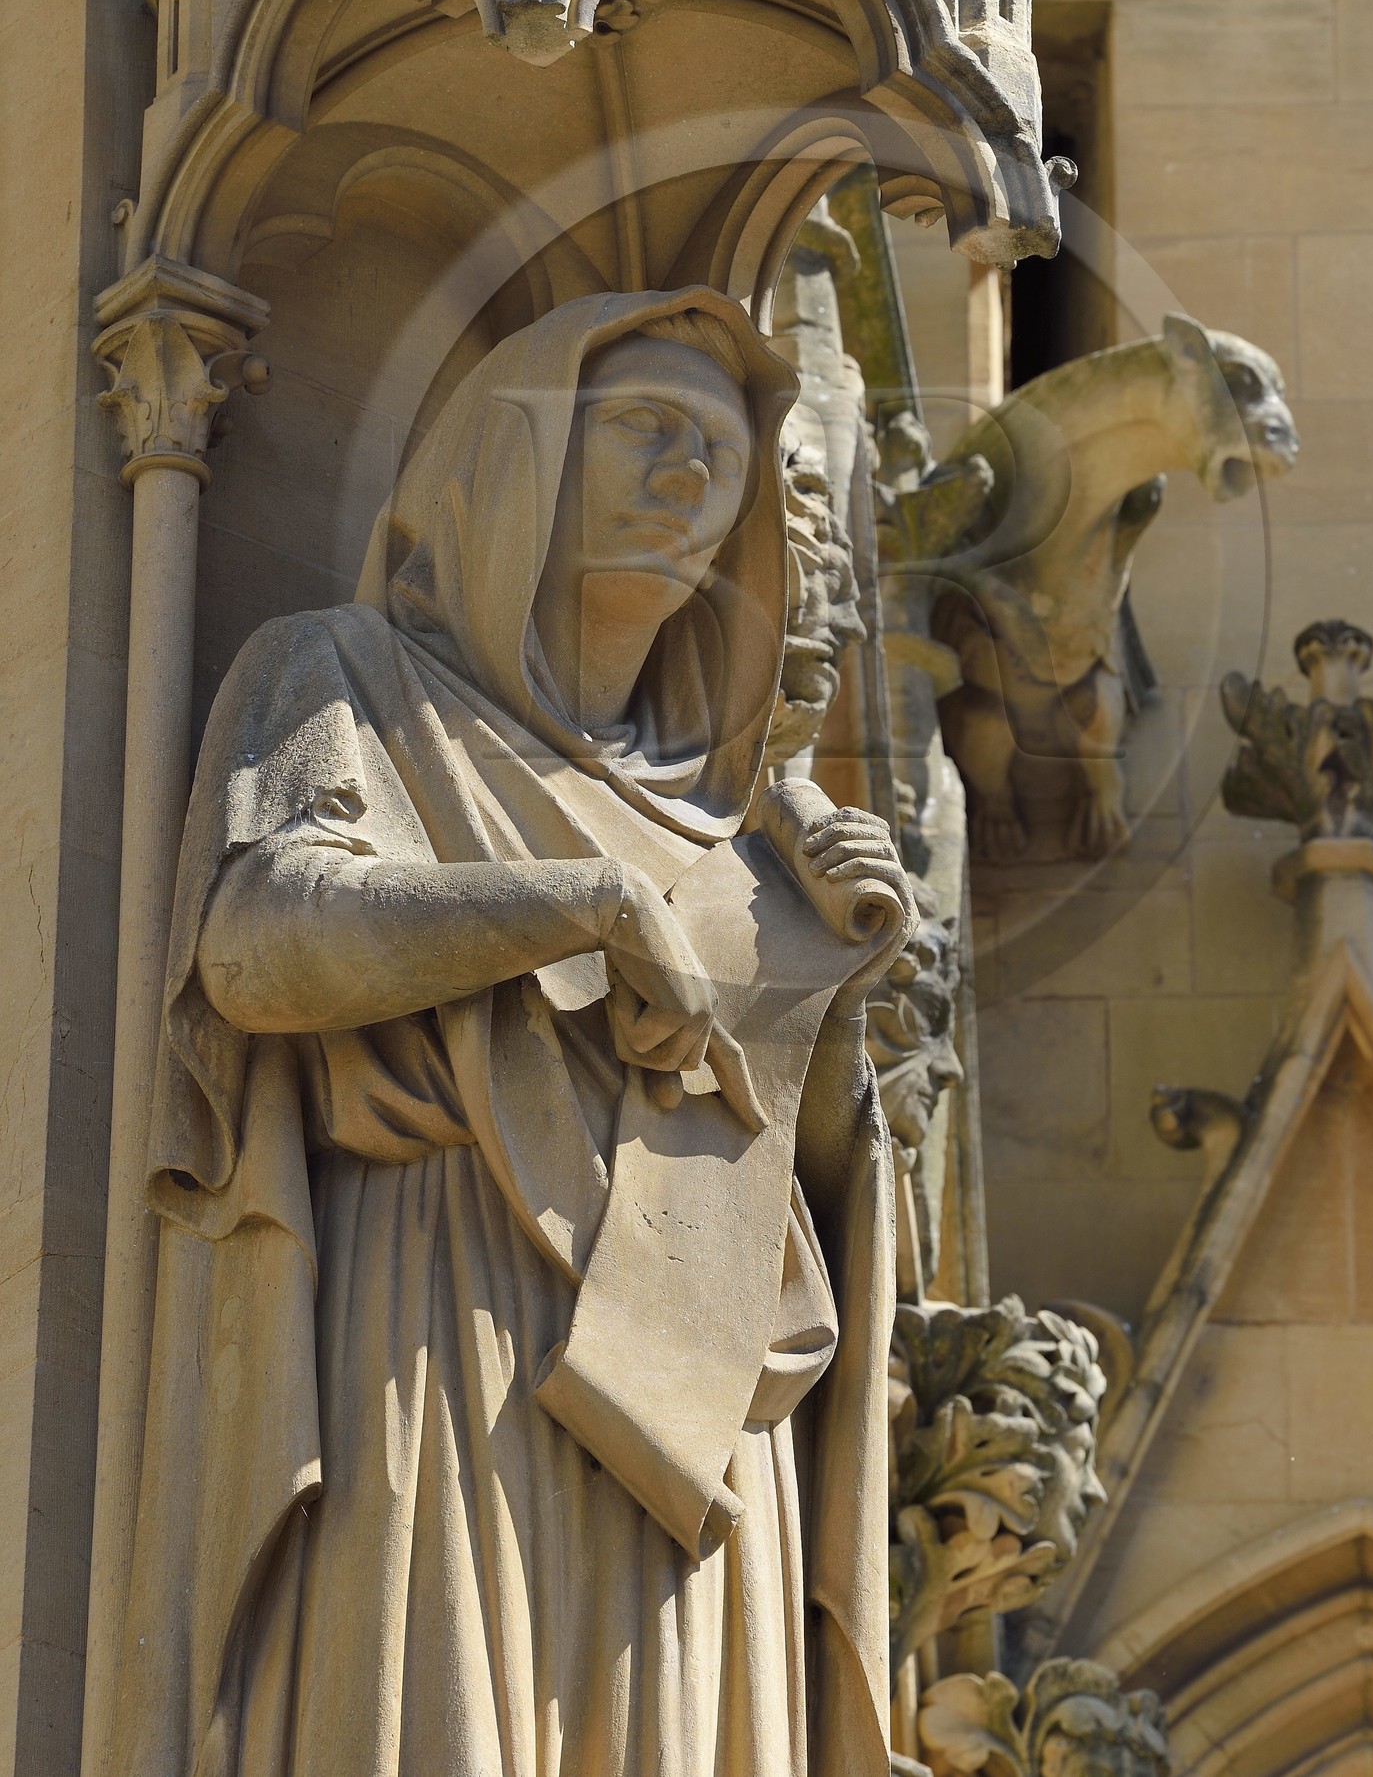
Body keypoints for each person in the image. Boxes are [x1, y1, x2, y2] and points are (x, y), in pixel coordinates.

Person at [112, 288, 913, 1777]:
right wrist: (585, 903)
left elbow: (794, 1166)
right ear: (514, 453)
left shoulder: (742, 832)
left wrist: (836, 1003)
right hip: (444, 1305)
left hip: (699, 1386)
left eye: (723, 458)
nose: (690, 479)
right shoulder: (339, 676)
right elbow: (257, 945)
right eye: (644, 431)